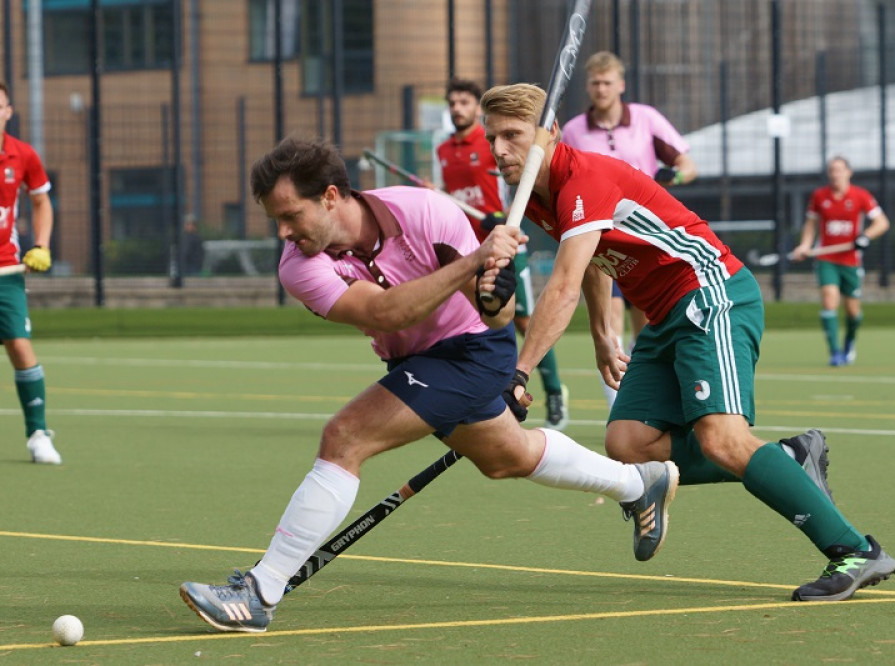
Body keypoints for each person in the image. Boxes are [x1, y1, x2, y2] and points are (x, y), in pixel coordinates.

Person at [179, 137, 677, 633]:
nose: (285, 232)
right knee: (507, 458)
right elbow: (384, 312)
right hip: (412, 357)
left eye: (291, 215)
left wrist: (492, 290)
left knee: (346, 436)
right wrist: (471, 261)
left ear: (331, 196)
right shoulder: (299, 266)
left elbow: (498, 313)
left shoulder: (424, 213)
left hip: (474, 348)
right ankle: (639, 483)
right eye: (276, 221)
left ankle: (260, 591)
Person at [480, 83, 895, 602]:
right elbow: (590, 262)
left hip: (710, 293)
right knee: (629, 444)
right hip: (662, 315)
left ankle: (855, 550)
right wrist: (602, 334)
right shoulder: (538, 196)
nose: (498, 150)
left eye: (512, 136)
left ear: (550, 133)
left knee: (722, 438)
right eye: (491, 137)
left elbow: (561, 284)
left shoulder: (582, 177)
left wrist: (518, 374)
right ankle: (788, 458)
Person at [561, 51, 698, 407]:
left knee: (649, 322)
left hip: (647, 235)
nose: (601, 89)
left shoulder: (646, 119)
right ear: (588, 87)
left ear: (620, 85)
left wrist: (676, 175)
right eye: (595, 82)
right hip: (600, 236)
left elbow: (687, 164)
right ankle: (619, 406)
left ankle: (648, 396)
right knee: (609, 319)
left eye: (608, 82)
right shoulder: (574, 130)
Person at [436, 77, 570, 430]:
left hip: (504, 239)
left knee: (523, 321)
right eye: (452, 103)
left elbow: (516, 182)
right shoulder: (444, 150)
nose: (457, 109)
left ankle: (554, 393)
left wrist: (503, 213)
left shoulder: (495, 141)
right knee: (465, 319)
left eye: (464, 102)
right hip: (466, 247)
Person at [0, 82, 60, 465]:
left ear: (8, 111)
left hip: (6, 271)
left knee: (19, 345)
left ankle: (38, 433)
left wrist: (41, 245)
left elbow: (42, 202)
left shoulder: (22, 154)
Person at [792, 156, 890, 366]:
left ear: (849, 172)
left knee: (853, 311)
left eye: (839, 170)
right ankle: (834, 352)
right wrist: (805, 245)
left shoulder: (860, 196)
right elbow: (811, 225)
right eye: (832, 171)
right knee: (829, 298)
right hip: (825, 257)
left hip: (851, 260)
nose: (835, 175)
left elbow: (882, 222)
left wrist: (866, 236)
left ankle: (849, 343)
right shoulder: (819, 196)